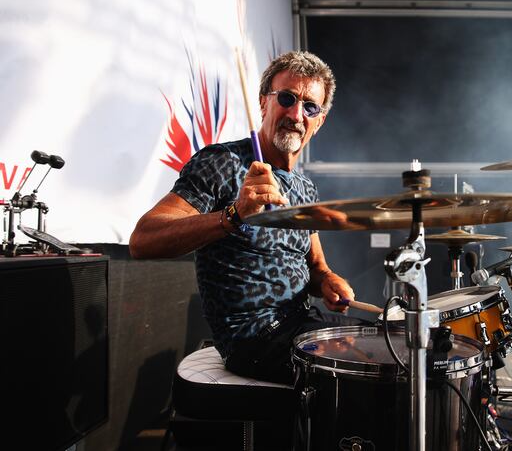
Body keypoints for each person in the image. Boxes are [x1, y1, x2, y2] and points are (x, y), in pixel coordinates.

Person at [129, 50, 361, 383]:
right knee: (365, 371)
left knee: (395, 346)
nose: (297, 114)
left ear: (319, 120)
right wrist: (234, 215)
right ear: (264, 103)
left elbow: (316, 267)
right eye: (287, 98)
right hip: (253, 338)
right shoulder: (221, 163)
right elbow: (143, 240)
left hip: (302, 323)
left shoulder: (305, 187)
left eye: (310, 107)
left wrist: (327, 281)